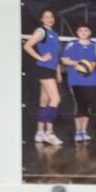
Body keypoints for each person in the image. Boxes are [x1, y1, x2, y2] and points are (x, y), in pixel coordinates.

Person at [23, 9, 64, 146]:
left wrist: (58, 72)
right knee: (56, 99)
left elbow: (56, 55)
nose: (50, 19)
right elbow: (27, 46)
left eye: (51, 16)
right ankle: (49, 133)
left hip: (51, 70)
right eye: (46, 17)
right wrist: (40, 57)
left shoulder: (54, 34)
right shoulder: (41, 31)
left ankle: (39, 132)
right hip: (43, 69)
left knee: (44, 101)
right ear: (42, 19)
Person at [61, 23, 96, 142]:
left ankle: (83, 131)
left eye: (86, 30)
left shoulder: (95, 45)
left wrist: (93, 64)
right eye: (81, 30)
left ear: (90, 32)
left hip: (91, 80)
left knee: (87, 106)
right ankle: (77, 131)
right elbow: (64, 60)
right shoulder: (71, 44)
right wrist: (77, 63)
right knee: (79, 106)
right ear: (77, 32)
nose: (84, 32)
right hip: (76, 80)